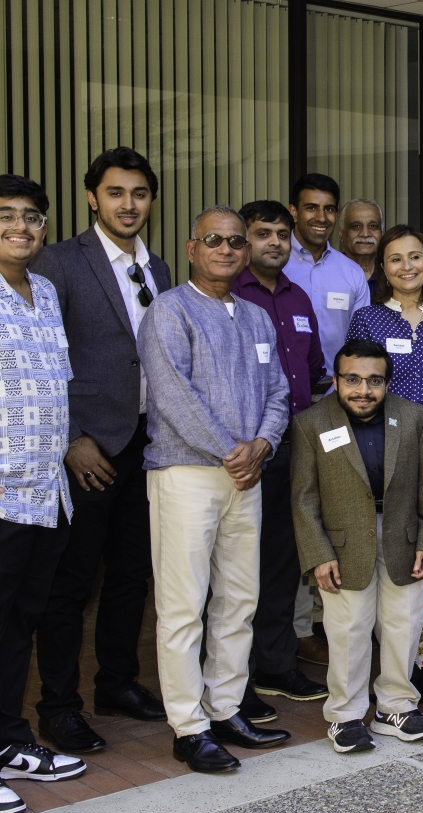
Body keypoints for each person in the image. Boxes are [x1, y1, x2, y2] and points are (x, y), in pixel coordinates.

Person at [138, 206, 292, 773]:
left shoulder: (255, 317)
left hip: (245, 475)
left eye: (234, 241)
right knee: (182, 607)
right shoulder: (169, 311)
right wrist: (234, 450)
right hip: (187, 475)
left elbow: (278, 390)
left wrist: (263, 446)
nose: (226, 250)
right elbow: (173, 395)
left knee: (238, 599)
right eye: (214, 241)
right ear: (190, 248)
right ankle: (188, 725)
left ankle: (225, 706)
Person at [30, 148, 169, 757]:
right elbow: (42, 359)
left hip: (149, 443)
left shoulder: (160, 267)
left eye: (139, 194)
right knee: (71, 582)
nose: (128, 205)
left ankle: (116, 683)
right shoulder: (57, 261)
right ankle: (59, 706)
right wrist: (70, 439)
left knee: (133, 574)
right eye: (115, 193)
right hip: (87, 447)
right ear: (93, 197)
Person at [291, 339, 423, 753]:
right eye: (353, 380)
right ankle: (344, 715)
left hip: (404, 536)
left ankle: (394, 706)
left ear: (387, 381)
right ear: (337, 379)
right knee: (348, 628)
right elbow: (303, 498)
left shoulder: (412, 417)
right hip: (342, 545)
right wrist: (318, 553)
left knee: (403, 623)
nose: (363, 390)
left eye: (374, 380)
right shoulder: (312, 423)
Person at [0, 175, 86, 813]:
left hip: (46, 491)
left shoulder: (47, 291)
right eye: (6, 216)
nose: (21, 228)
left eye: (32, 217)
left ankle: (8, 741)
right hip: (0, 492)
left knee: (18, 624)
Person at [232, 200, 329, 720]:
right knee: (235, 567)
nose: (275, 242)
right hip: (244, 456)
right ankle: (232, 674)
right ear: (245, 240)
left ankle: (273, 663)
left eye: (282, 234)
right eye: (264, 233)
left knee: (282, 565)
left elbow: (315, 373)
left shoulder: (299, 298)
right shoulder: (232, 295)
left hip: (295, 450)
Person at [346, 225, 423, 486]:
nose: (407, 266)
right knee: (390, 523)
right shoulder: (367, 319)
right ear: (383, 267)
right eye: (396, 259)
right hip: (382, 436)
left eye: (415, 256)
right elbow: (354, 387)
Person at [283, 173, 370, 376]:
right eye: (311, 208)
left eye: (329, 209)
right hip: (284, 392)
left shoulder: (352, 273)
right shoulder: (277, 266)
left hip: (336, 392)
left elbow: (362, 343)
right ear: (293, 212)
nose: (321, 218)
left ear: (337, 214)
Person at [337, 199, 383, 298]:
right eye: (356, 226)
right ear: (341, 234)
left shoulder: (392, 275)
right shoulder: (329, 273)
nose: (365, 234)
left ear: (382, 234)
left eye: (373, 226)